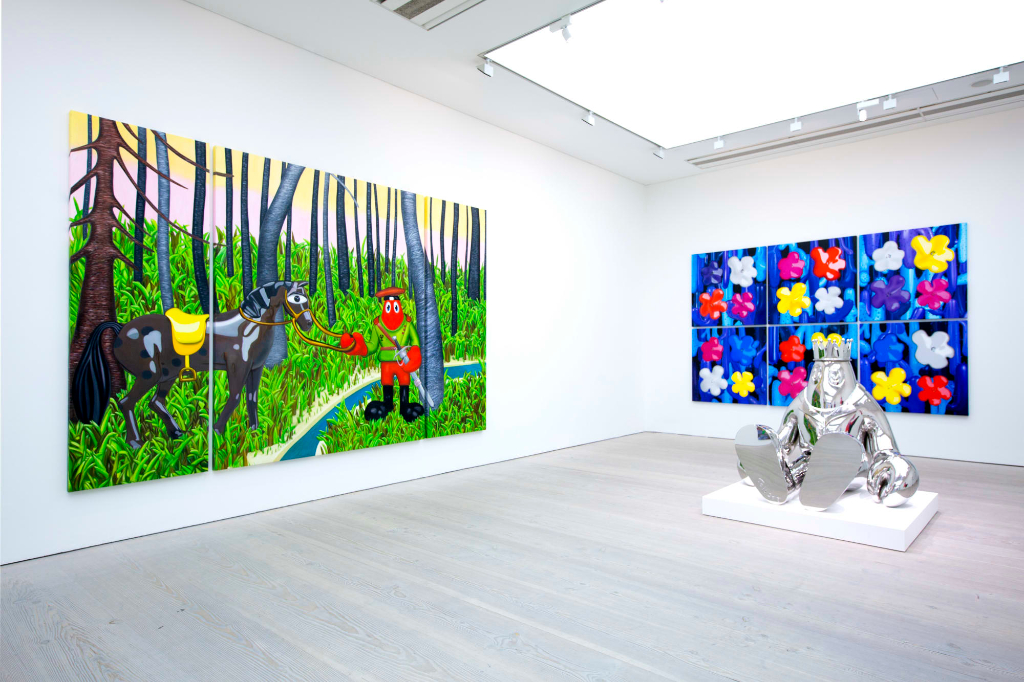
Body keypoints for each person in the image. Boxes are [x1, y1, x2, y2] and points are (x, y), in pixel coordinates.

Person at [340, 287, 425, 423]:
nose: (392, 312)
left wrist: (414, 352)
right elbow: (372, 345)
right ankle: (387, 405)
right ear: (384, 307)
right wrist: (360, 347)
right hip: (386, 363)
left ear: (399, 306)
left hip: (403, 362)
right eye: (388, 307)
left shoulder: (407, 323)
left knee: (404, 383)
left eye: (395, 307)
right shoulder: (378, 325)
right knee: (387, 383)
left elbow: (415, 341)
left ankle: (405, 407)